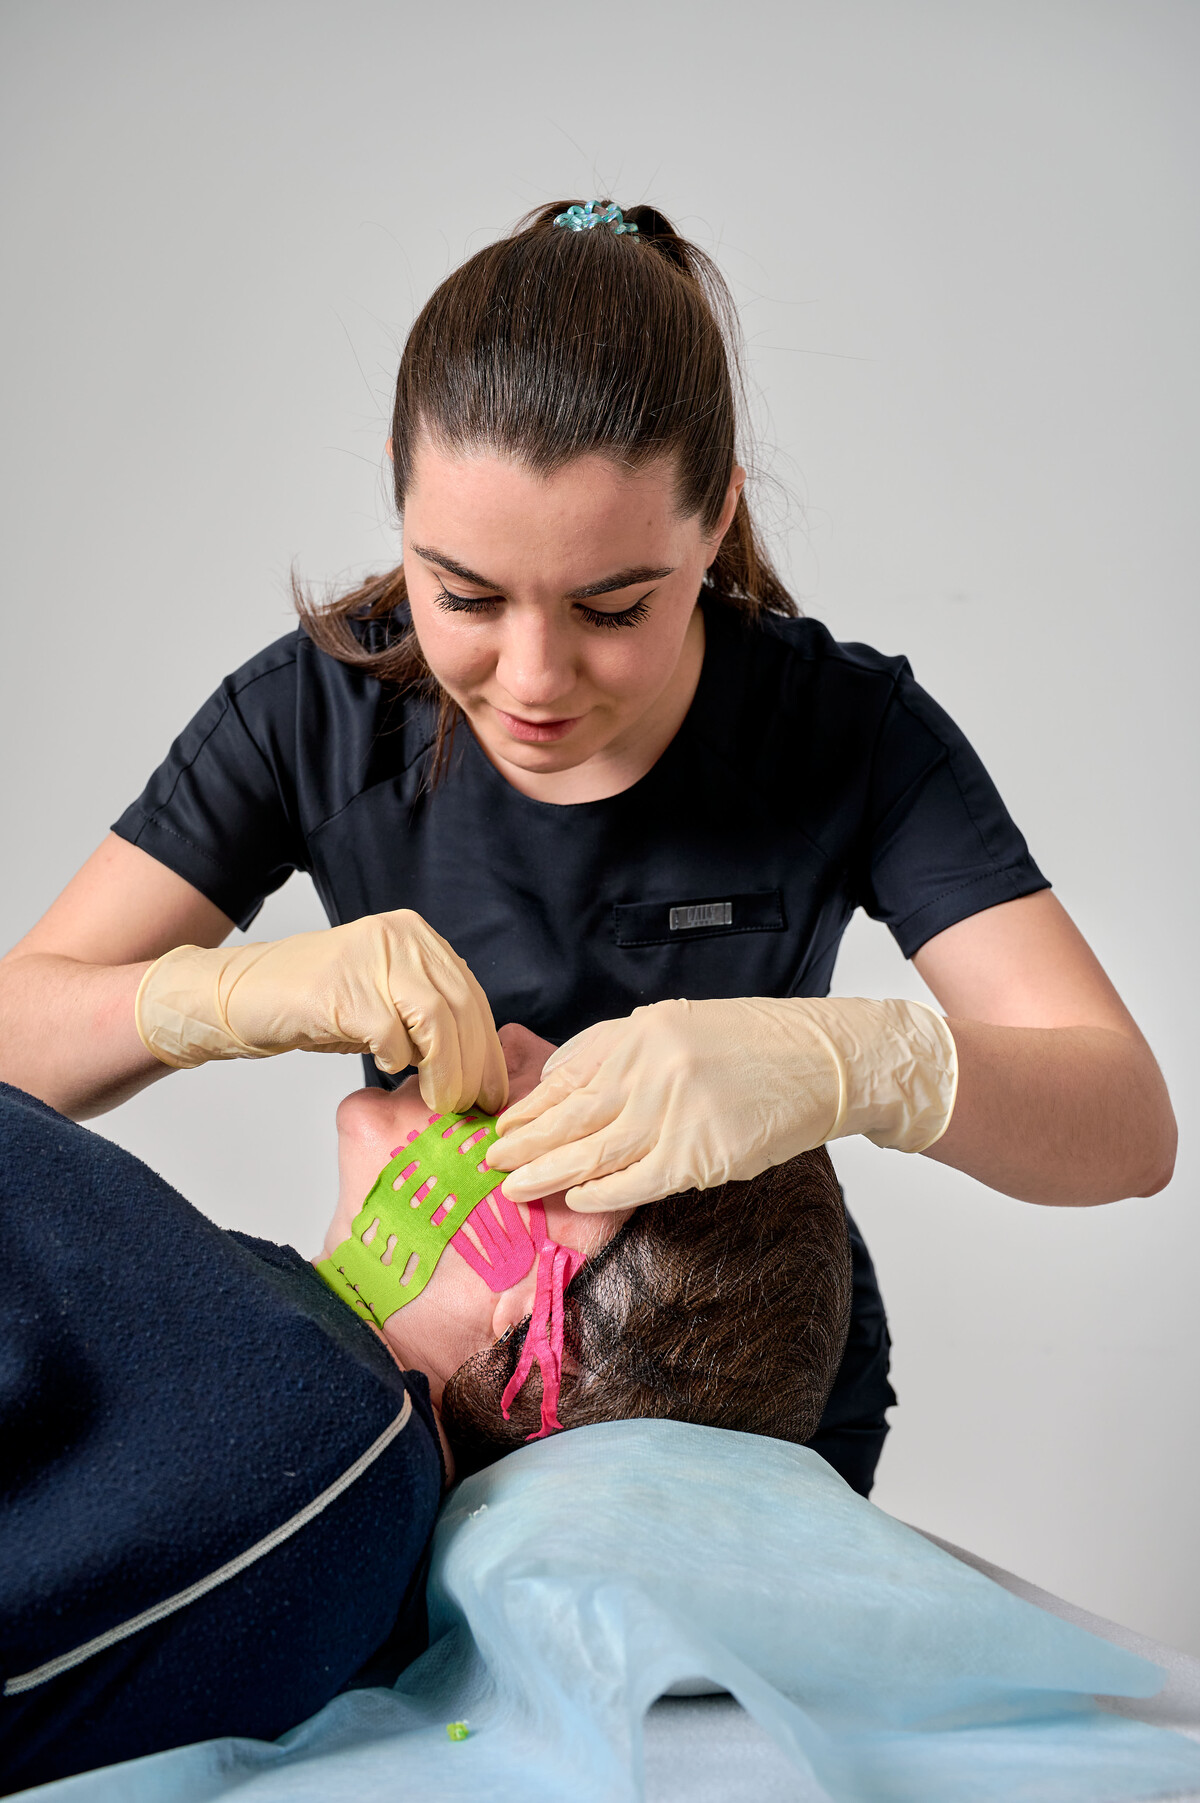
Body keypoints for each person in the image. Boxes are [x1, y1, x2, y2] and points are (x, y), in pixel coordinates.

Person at [0, 200, 1175, 1502]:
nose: (533, 678)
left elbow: (1129, 1126)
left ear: (715, 523)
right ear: (400, 491)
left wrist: (852, 1061)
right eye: (463, 594)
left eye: (612, 607)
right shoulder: (311, 717)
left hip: (750, 1401)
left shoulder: (846, 736)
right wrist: (217, 997)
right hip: (456, 1368)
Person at [0, 1025, 851, 1789]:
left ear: (543, 1316)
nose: (513, 1041)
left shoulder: (330, 1437)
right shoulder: (277, 1350)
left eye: (568, 1094)